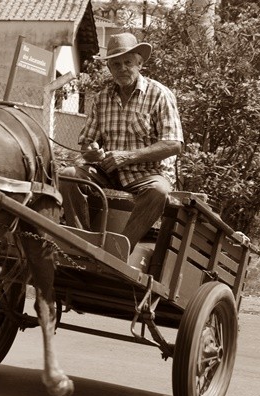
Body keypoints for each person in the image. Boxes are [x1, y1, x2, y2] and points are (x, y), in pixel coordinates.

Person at [59, 32, 183, 252]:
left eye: (128, 62)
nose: (122, 68)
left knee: (159, 191)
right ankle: (82, 244)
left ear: (140, 63)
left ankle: (117, 251)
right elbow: (87, 144)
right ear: (109, 68)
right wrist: (93, 151)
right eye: (116, 64)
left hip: (147, 175)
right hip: (107, 172)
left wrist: (127, 157)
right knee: (68, 175)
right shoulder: (101, 98)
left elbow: (173, 144)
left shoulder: (159, 95)